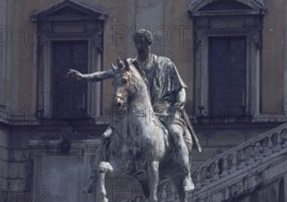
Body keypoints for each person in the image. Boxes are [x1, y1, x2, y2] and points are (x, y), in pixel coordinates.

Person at [68, 29, 199, 192]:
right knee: (105, 137)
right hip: (136, 113)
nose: (140, 46)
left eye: (143, 42)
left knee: (177, 134)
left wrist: (181, 100)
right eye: (137, 43)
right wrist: (83, 77)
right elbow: (105, 74)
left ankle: (187, 176)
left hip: (162, 109)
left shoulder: (165, 63)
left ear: (149, 44)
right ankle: (94, 178)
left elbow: (181, 88)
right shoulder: (129, 66)